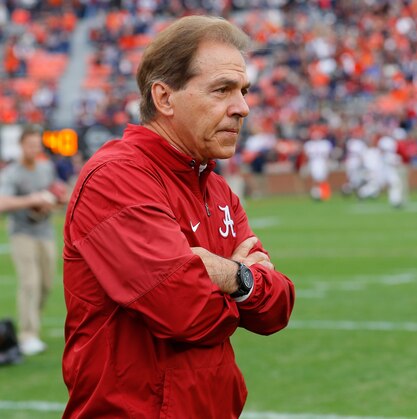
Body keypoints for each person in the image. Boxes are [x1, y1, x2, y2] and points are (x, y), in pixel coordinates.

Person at [61, 16, 295, 418]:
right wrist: (244, 283)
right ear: (165, 98)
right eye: (222, 90)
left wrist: (230, 276)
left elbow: (277, 307)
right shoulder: (116, 177)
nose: (242, 107)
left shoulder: (217, 189)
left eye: (243, 91)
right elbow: (184, 312)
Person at [0, 125, 63, 356]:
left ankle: (32, 324)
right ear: (21, 145)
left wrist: (53, 200)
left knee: (46, 284)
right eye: (30, 144)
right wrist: (31, 200)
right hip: (22, 232)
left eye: (37, 144)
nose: (34, 148)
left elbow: (55, 193)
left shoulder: (46, 167)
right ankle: (28, 334)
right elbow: (2, 203)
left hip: (45, 231)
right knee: (30, 283)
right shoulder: (12, 172)